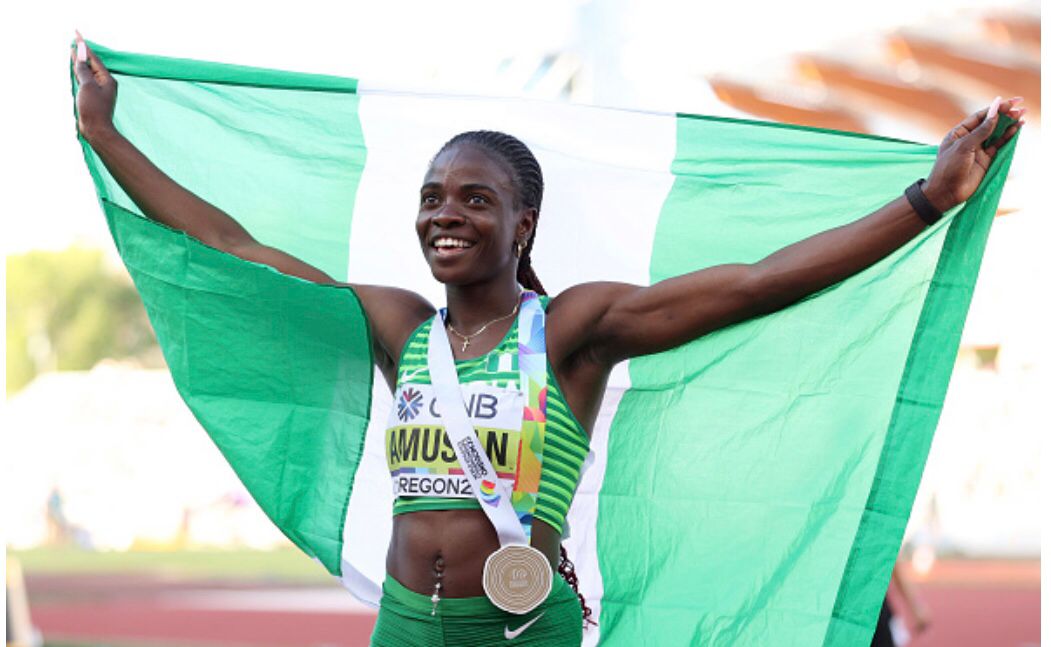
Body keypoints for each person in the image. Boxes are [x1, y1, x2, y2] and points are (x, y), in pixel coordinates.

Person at [71, 34, 1023, 647]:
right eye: (432, 198)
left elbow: (754, 283)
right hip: (405, 623)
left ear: (522, 224)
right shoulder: (397, 323)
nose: (445, 216)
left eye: (474, 200)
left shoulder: (574, 328)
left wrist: (924, 201)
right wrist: (109, 138)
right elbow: (234, 246)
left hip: (520, 625)